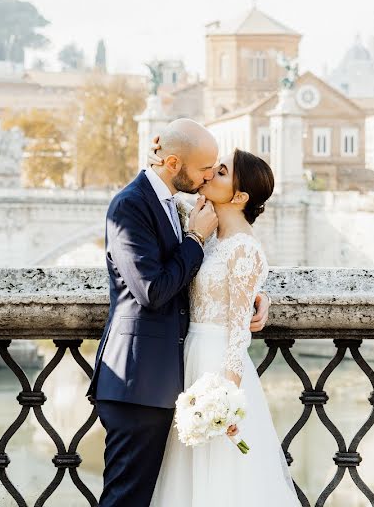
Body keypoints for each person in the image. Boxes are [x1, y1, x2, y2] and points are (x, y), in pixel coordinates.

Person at [87, 119, 271, 507]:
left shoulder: (175, 205)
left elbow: (229, 266)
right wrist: (196, 239)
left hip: (176, 379)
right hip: (137, 380)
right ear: (173, 163)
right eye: (207, 168)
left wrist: (254, 294)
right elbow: (152, 290)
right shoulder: (131, 205)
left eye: (218, 169)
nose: (208, 176)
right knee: (126, 498)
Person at [150, 147, 299, 507]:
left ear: (240, 196)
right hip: (189, 356)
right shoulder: (210, 231)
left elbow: (237, 334)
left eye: (219, 172)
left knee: (222, 477)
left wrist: (226, 400)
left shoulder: (244, 248)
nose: (207, 175)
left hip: (217, 367)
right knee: (186, 473)